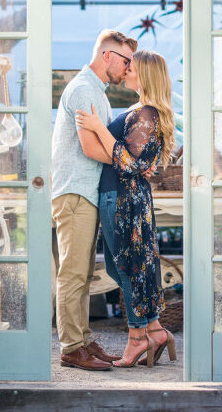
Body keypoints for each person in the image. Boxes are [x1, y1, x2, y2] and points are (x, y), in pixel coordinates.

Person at [75, 50, 178, 368]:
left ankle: (137, 340)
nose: (126, 69)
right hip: (124, 196)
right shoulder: (143, 111)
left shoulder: (146, 113)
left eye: (132, 67)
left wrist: (97, 126)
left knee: (127, 269)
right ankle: (155, 331)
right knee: (128, 268)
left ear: (145, 75)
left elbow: (131, 163)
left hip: (123, 198)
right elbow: (138, 161)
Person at [51, 29, 137, 371]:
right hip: (75, 192)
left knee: (82, 272)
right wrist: (130, 161)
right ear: (107, 56)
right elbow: (90, 148)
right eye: (126, 60)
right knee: (73, 274)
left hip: (83, 192)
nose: (128, 68)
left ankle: (83, 340)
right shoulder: (85, 89)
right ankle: (72, 347)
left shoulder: (94, 91)